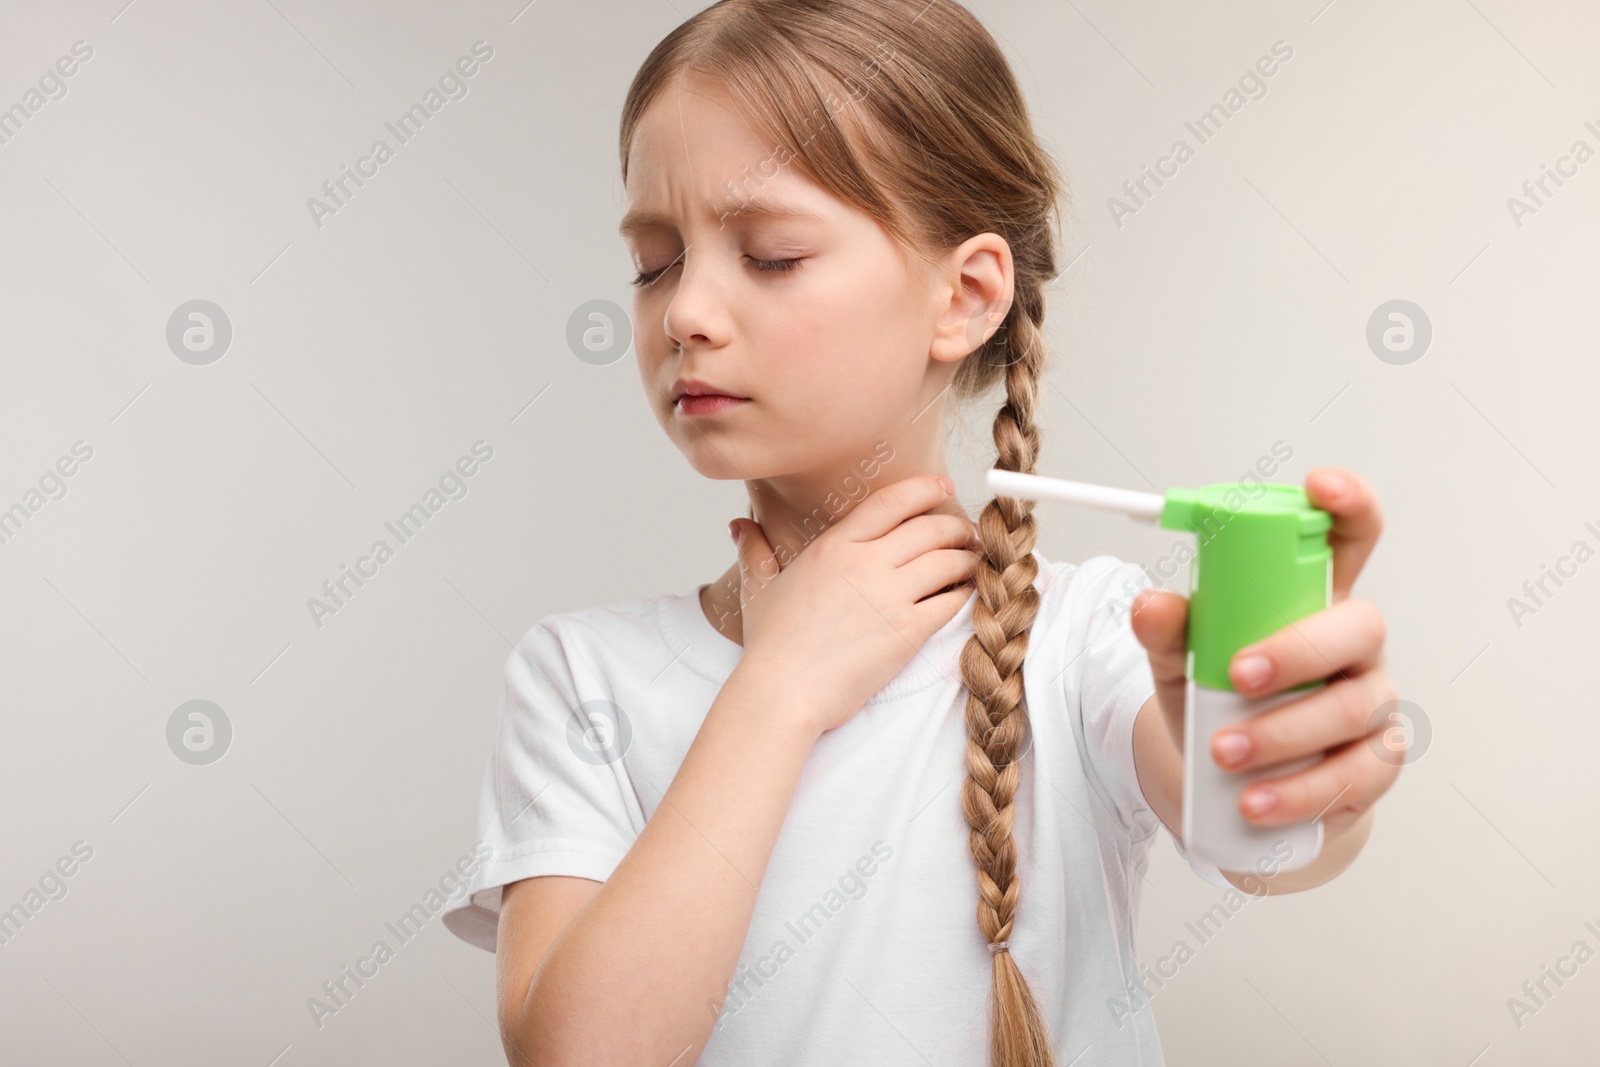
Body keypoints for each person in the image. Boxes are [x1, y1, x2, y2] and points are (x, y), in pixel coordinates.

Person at [440, 2, 1400, 1063]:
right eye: (654, 262)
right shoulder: (582, 677)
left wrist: (1291, 749)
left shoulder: (1082, 637)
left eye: (770, 254)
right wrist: (780, 687)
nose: (684, 312)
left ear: (966, 294)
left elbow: (1259, 839)